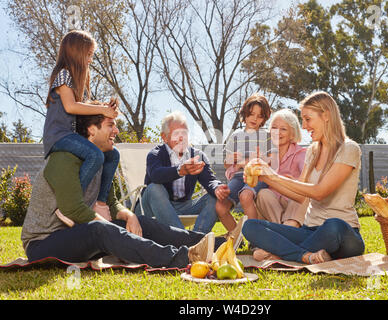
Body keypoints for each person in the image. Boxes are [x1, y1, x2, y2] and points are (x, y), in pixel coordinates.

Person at [21, 113, 228, 268]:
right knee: (102, 229)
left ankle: (215, 244)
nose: (117, 131)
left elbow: (111, 203)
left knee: (144, 223)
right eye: (110, 125)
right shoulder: (64, 158)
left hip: (77, 235)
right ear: (91, 129)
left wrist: (129, 216)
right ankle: (182, 258)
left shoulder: (100, 161)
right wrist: (116, 230)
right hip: (44, 244)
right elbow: (73, 209)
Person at [243, 91, 365, 264]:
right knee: (251, 226)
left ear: (326, 116)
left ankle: (281, 254)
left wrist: (274, 176)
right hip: (310, 231)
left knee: (332, 225)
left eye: (308, 119)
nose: (305, 126)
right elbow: (300, 196)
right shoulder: (313, 151)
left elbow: (319, 192)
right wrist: (265, 177)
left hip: (343, 233)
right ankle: (305, 256)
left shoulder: (349, 149)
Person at [43, 29, 119, 221]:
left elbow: (82, 108)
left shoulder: (73, 79)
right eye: (89, 55)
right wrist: (102, 111)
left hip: (71, 136)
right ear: (77, 53)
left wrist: (104, 108)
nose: (90, 60)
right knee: (94, 154)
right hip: (59, 137)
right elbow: (70, 106)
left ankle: (100, 202)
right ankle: (71, 206)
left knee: (112, 154)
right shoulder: (63, 75)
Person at [136, 111, 245, 244]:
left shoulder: (197, 155)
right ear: (164, 137)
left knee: (213, 196)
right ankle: (187, 242)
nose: (182, 138)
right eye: (176, 133)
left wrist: (217, 188)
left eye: (185, 133)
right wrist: (180, 170)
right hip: (152, 205)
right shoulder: (155, 154)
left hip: (184, 206)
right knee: (155, 188)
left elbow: (209, 179)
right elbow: (155, 175)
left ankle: (195, 242)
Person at [216, 93, 274, 232]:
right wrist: (235, 159)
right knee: (220, 207)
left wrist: (261, 159)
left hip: (257, 177)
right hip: (238, 177)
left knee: (246, 196)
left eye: (259, 116)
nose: (255, 118)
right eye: (252, 114)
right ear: (245, 113)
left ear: (264, 119)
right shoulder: (236, 136)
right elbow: (226, 162)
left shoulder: (266, 136)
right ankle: (238, 239)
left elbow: (271, 160)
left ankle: (256, 240)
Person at [255, 109, 308, 228]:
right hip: (273, 206)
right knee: (263, 194)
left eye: (283, 129)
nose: (277, 132)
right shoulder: (267, 155)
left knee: (300, 196)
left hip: (294, 205)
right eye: (274, 128)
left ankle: (284, 232)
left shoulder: (301, 154)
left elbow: (308, 181)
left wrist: (294, 180)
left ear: (293, 134)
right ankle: (286, 231)